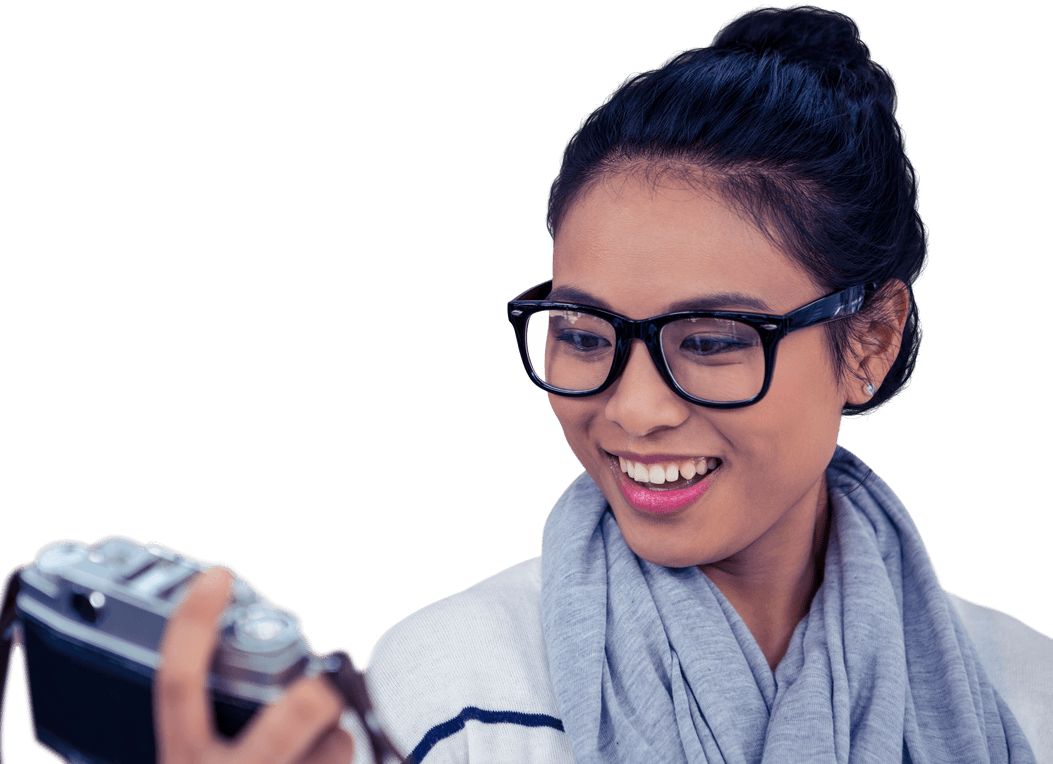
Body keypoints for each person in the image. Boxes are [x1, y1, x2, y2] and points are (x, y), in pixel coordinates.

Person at [153, 5, 1053, 763]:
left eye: (709, 340)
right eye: (586, 335)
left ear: (870, 340)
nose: (632, 410)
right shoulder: (455, 693)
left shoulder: (1024, 700)